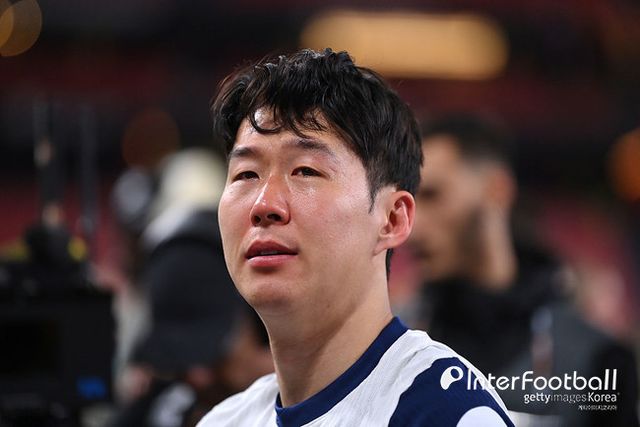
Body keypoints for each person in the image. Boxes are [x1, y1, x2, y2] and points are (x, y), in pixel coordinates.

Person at [197, 49, 515, 426]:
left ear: (392, 219)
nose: (264, 204)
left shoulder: (447, 413)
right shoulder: (222, 421)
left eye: (305, 171)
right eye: (246, 174)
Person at [409, 114, 639, 427]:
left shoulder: (597, 360)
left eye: (433, 196)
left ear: (497, 190)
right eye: (409, 202)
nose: (413, 229)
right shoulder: (388, 345)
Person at [108, 149, 273, 427]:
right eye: (180, 358)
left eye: (213, 351)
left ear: (259, 323)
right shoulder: (163, 405)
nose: (197, 377)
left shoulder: (324, 405)